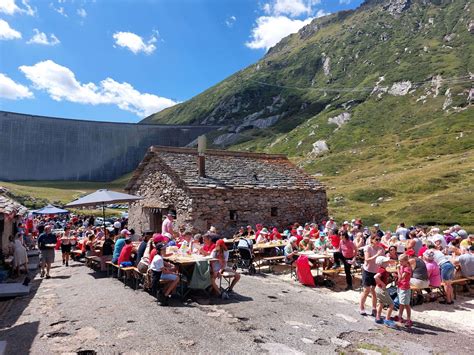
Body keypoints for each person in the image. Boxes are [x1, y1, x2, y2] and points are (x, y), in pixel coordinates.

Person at [359, 235, 384, 316]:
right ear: (372, 240)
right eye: (376, 239)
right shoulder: (368, 248)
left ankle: (374, 308)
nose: (378, 241)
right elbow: (367, 259)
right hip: (368, 271)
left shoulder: (381, 249)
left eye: (379, 239)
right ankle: (361, 308)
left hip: (376, 272)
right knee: (366, 290)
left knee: (374, 291)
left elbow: (382, 260)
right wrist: (377, 255)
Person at [374, 256, 396, 328]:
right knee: (391, 304)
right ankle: (387, 320)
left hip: (378, 288)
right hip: (381, 289)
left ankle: (378, 317)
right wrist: (383, 284)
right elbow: (376, 277)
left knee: (381, 303)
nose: (387, 263)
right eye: (386, 262)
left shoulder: (382, 269)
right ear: (382, 263)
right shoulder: (382, 270)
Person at [394, 254, 412, 327]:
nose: (400, 263)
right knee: (401, 303)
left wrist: (398, 270)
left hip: (405, 287)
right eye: (399, 261)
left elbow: (401, 277)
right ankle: (399, 316)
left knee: (406, 304)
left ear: (406, 261)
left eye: (401, 262)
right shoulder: (402, 266)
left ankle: (408, 319)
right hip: (400, 286)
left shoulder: (407, 268)